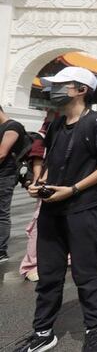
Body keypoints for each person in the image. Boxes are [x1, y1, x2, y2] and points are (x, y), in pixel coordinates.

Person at [15, 67, 97, 352]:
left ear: (81, 89)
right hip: (52, 207)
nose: (54, 90)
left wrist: (74, 189)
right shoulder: (56, 124)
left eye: (62, 85)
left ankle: (94, 329)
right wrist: (40, 184)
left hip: (84, 207)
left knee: (86, 272)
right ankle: (43, 331)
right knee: (48, 273)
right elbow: (50, 162)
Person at [19, 118, 50, 282]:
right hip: (48, 185)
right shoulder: (46, 132)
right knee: (38, 224)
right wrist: (39, 181)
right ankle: (30, 266)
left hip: (64, 185)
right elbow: (38, 156)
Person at [0, 104, 26, 264]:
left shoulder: (13, 126)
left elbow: (2, 153)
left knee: (1, 213)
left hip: (5, 176)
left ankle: (1, 252)